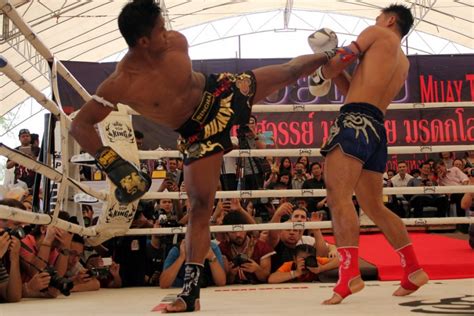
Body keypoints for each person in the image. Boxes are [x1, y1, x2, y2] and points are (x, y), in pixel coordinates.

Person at [69, 0, 335, 312]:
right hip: (196, 132)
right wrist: (114, 166)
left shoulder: (176, 43)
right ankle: (191, 292)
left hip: (220, 93)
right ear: (143, 41)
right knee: (199, 207)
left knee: (291, 70)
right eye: (160, 30)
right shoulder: (121, 83)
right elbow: (80, 125)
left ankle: (331, 55)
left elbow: (182, 74)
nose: (168, 34)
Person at [315, 4, 428, 304]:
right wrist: (332, 68)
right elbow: (355, 88)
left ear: (390, 20)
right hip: (376, 125)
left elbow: (341, 61)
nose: (373, 21)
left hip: (354, 121)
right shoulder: (402, 61)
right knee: (373, 205)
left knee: (338, 196)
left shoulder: (376, 33)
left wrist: (324, 67)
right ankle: (413, 268)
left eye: (378, 17)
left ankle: (349, 274)